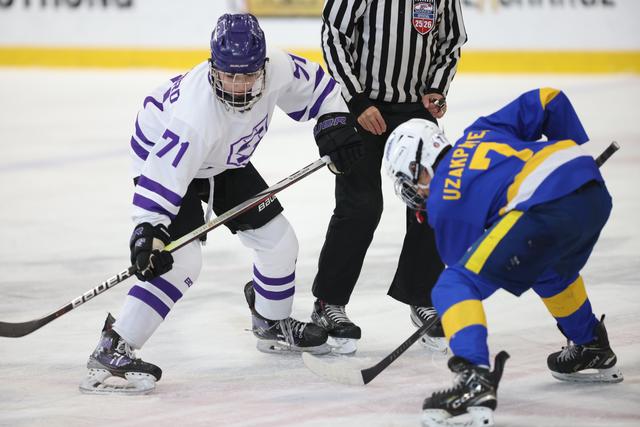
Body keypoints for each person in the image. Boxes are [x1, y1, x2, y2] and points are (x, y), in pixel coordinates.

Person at [79, 13, 364, 395]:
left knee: (279, 241)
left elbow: (322, 90)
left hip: (225, 160)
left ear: (263, 66)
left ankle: (271, 322)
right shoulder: (195, 117)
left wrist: (334, 124)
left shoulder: (279, 68)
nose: (239, 85)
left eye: (248, 75)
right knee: (182, 261)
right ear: (214, 67)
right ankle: (113, 347)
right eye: (229, 75)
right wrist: (148, 231)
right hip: (164, 160)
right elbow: (164, 173)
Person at [383, 87, 623, 426]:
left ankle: (474, 383)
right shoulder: (479, 131)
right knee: (547, 269)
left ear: (419, 165)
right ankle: (591, 345)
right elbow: (548, 99)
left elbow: (466, 277)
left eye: (409, 180)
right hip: (590, 190)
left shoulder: (442, 201)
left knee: (452, 286)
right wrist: (568, 159)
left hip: (543, 207)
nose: (413, 192)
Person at [312, 0, 467, 354]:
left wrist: (436, 86)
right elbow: (334, 33)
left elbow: (451, 39)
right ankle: (328, 302)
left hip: (415, 106)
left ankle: (423, 295)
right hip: (362, 104)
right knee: (361, 206)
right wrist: (355, 100)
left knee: (433, 199)